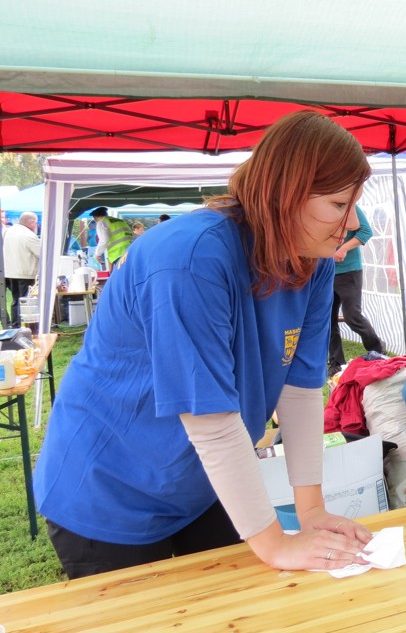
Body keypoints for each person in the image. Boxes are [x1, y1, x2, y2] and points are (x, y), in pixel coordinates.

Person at [34, 111, 374, 579]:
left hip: (202, 483)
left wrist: (311, 509)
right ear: (286, 194)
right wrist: (274, 544)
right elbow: (209, 417)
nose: (352, 222)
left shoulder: (310, 263)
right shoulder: (189, 260)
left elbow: (299, 389)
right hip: (110, 489)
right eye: (339, 204)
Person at [327, 204, 384, 375]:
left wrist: (343, 249)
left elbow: (366, 231)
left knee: (353, 317)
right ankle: (336, 363)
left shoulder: (349, 205)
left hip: (349, 271)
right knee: (328, 320)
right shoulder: (320, 206)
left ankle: (378, 351)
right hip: (326, 272)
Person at [3, 212, 41, 326]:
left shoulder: (8, 232)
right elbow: (42, 253)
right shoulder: (28, 235)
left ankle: (16, 325)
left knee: (16, 301)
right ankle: (30, 326)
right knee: (27, 301)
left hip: (10, 272)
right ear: (32, 222)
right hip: (25, 272)